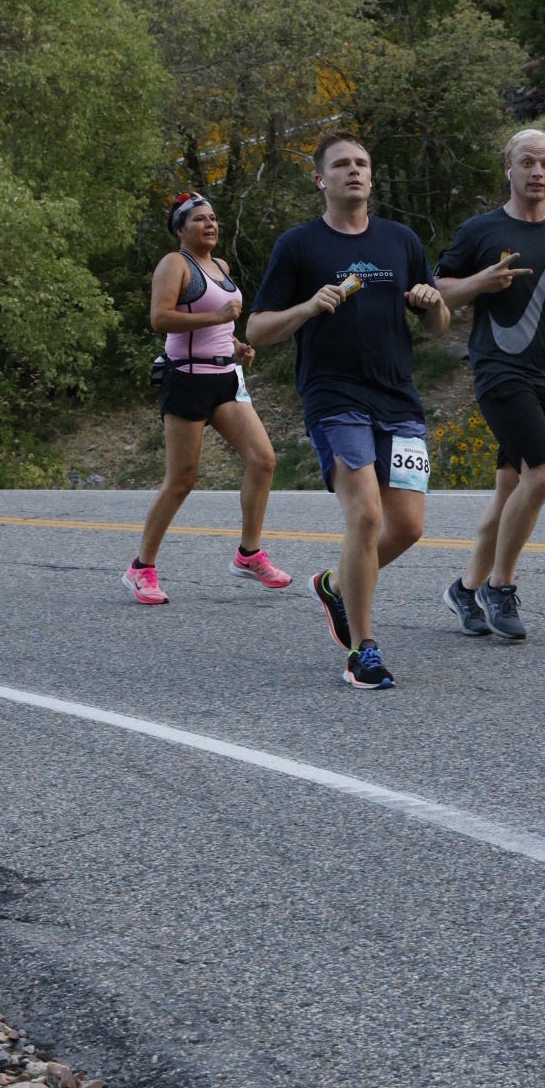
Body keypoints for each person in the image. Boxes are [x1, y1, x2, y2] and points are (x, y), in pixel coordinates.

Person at [247, 131, 448, 691]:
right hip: (334, 397)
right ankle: (364, 649)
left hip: (397, 398)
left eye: (361, 163)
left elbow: (437, 326)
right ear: (321, 179)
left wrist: (432, 303)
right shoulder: (299, 245)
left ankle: (336, 585)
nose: (353, 171)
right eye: (341, 164)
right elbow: (256, 329)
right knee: (365, 516)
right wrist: (309, 306)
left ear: (371, 176)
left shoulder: (400, 240)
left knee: (407, 526)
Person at [434, 128, 545, 640]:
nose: (537, 171)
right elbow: (436, 291)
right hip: (500, 371)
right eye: (527, 161)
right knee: (544, 474)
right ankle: (498, 587)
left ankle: (465, 589)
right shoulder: (480, 229)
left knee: (510, 489)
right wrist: (479, 282)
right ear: (508, 168)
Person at [122, 192, 291, 606]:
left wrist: (236, 347)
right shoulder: (175, 264)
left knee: (263, 460)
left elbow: (219, 328)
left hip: (225, 379)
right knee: (181, 479)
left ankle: (248, 554)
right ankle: (140, 568)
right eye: (199, 219)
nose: (210, 224)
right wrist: (215, 317)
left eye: (213, 218)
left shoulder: (221, 267)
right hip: (186, 379)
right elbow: (160, 318)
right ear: (181, 229)